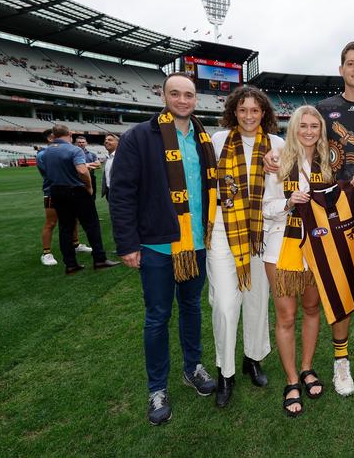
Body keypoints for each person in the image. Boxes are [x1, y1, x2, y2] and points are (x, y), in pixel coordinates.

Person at [266, 41, 354, 396]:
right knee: (336, 282)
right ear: (341, 69)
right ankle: (340, 361)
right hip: (331, 216)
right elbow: (301, 139)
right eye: (350, 63)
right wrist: (275, 153)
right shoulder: (325, 109)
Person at [109, 72, 218, 425]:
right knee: (157, 317)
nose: (183, 100)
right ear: (163, 95)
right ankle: (157, 387)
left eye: (188, 94)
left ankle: (193, 368)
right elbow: (122, 193)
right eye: (176, 93)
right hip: (157, 244)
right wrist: (127, 243)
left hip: (197, 242)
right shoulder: (139, 137)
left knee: (191, 308)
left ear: (195, 98)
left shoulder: (204, 139)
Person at [208, 85, 281, 408]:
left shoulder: (277, 144)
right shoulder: (218, 141)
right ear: (233, 113)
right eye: (243, 110)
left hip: (262, 231)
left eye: (255, 110)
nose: (249, 116)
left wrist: (279, 169)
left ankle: (253, 357)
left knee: (257, 299)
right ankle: (226, 371)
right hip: (225, 229)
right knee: (225, 304)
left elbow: (288, 185)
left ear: (263, 112)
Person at [263, 105, 332, 417]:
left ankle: (306, 368)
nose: (308, 131)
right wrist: (289, 202)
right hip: (281, 247)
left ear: (320, 130)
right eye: (303, 125)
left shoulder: (327, 162)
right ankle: (291, 380)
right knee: (287, 317)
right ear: (293, 128)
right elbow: (264, 208)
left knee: (312, 308)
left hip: (316, 247)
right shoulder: (277, 160)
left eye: (314, 126)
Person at [37, 129, 91, 266]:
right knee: (51, 222)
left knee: (73, 219)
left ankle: (76, 244)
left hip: (69, 191)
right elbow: (51, 173)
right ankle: (46, 253)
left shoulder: (58, 152)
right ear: (50, 139)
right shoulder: (43, 154)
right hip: (52, 191)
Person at [75, 135, 101, 200]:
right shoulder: (72, 154)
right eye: (79, 142)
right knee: (77, 197)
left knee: (91, 196)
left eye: (83, 142)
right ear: (76, 143)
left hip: (90, 177)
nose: (81, 144)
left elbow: (98, 164)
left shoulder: (92, 154)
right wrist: (90, 165)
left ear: (86, 143)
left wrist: (85, 165)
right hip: (77, 178)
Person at [101, 133, 119, 201]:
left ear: (118, 143)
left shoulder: (123, 157)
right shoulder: (107, 158)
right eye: (105, 140)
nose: (106, 141)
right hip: (109, 192)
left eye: (110, 140)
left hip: (119, 193)